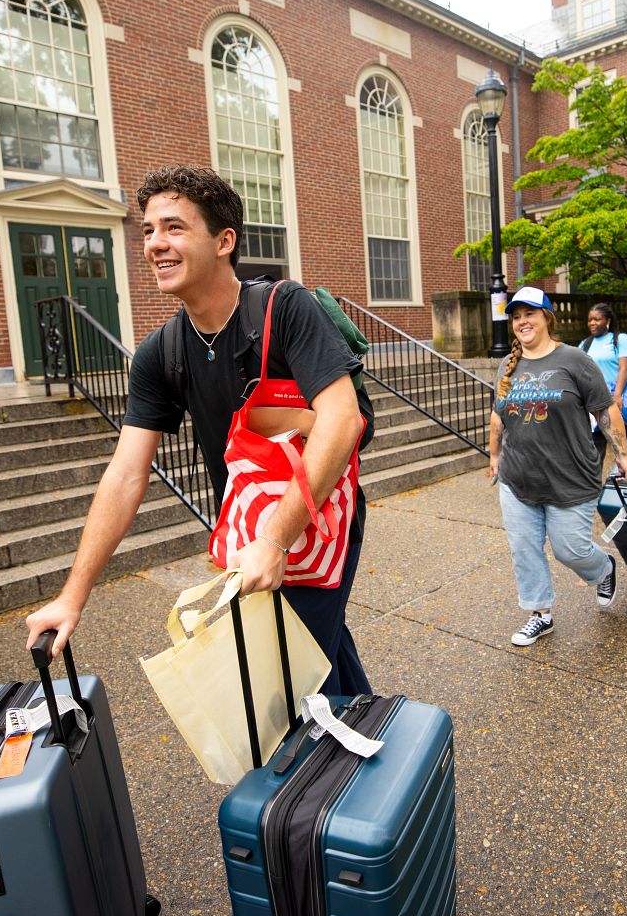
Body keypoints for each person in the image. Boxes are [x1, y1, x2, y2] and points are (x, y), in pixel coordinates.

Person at [24, 166, 373, 695]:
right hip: (245, 528)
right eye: (147, 230)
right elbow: (125, 474)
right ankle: (378, 745)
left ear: (224, 241)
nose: (155, 245)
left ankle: (333, 764)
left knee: (287, 681)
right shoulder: (159, 353)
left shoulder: (287, 308)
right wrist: (72, 596)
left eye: (174, 228)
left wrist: (275, 540)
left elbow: (344, 420)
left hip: (316, 517)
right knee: (314, 659)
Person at [490, 287, 627, 647]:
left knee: (570, 548)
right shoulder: (508, 366)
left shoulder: (574, 360)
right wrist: (493, 457)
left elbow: (605, 408)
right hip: (518, 476)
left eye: (530, 314)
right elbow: (498, 417)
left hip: (570, 475)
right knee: (524, 548)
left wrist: (622, 453)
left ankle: (603, 568)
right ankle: (541, 614)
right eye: (516, 316)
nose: (522, 321)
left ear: (547, 318)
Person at [579, 302, 627, 463]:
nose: (592, 323)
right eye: (590, 320)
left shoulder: (620, 339)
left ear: (607, 321)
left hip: (614, 397)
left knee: (622, 440)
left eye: (597, 319)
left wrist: (618, 395)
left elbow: (624, 368)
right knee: (595, 443)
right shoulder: (585, 344)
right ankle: (592, 485)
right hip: (593, 400)